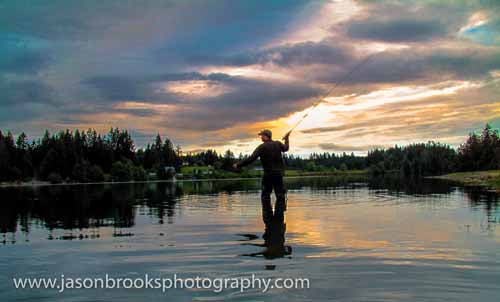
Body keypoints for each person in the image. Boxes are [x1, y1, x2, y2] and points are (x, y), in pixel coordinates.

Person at [232, 129, 290, 228]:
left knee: (265, 196)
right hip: (278, 175)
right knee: (280, 196)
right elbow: (286, 148)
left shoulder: (261, 147)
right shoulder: (278, 144)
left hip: (268, 175)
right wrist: (287, 139)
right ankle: (278, 223)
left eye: (262, 135)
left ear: (266, 136)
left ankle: (269, 221)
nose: (261, 137)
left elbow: (251, 159)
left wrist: (238, 164)